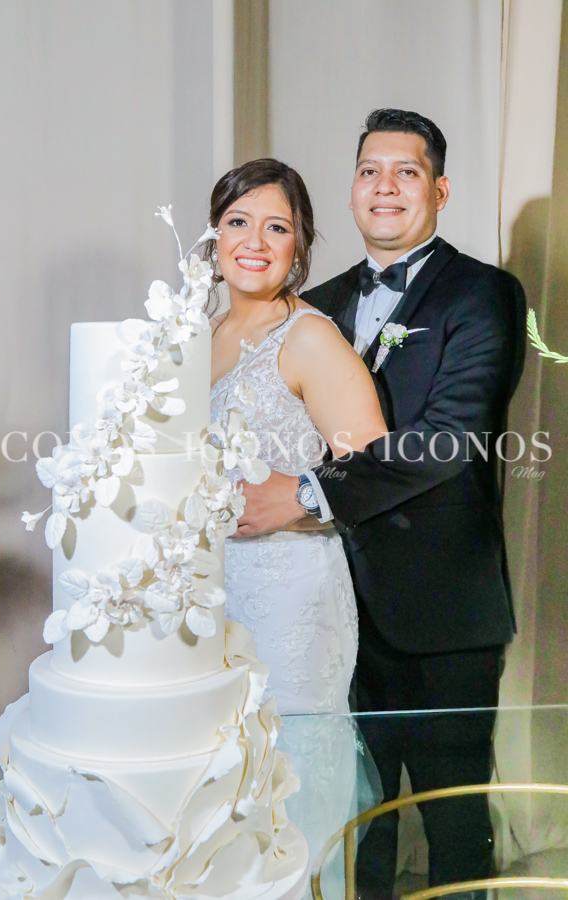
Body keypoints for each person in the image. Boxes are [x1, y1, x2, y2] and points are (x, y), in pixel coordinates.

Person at [234, 110, 527, 898]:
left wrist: (300, 494)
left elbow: (449, 438)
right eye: (370, 170)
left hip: (440, 611)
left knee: (453, 821)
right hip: (325, 608)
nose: (385, 186)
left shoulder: (485, 293)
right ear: (353, 188)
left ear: (440, 188)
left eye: (406, 170)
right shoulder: (313, 302)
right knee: (346, 817)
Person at [205, 158, 386, 896]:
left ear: (300, 245)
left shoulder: (308, 337)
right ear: (213, 236)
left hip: (293, 596)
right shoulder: (203, 332)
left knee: (289, 788)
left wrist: (298, 497)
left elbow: (377, 464)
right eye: (237, 222)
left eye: (276, 226)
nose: (254, 240)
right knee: (225, 796)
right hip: (214, 596)